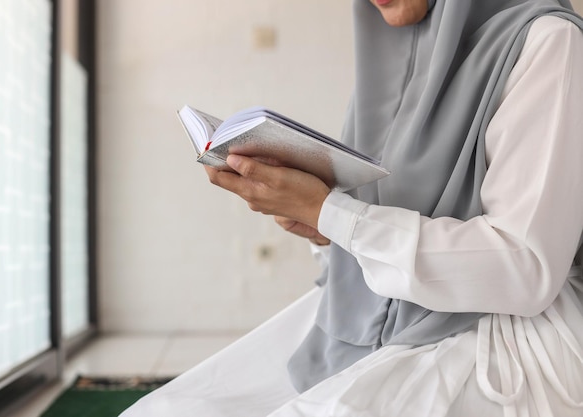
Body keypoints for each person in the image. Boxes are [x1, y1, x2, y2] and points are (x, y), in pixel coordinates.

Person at [121, 0, 583, 415]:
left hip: (504, 335)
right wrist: (320, 226)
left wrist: (332, 213)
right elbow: (376, 212)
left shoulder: (549, 43)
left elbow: (523, 267)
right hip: (381, 312)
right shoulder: (400, 49)